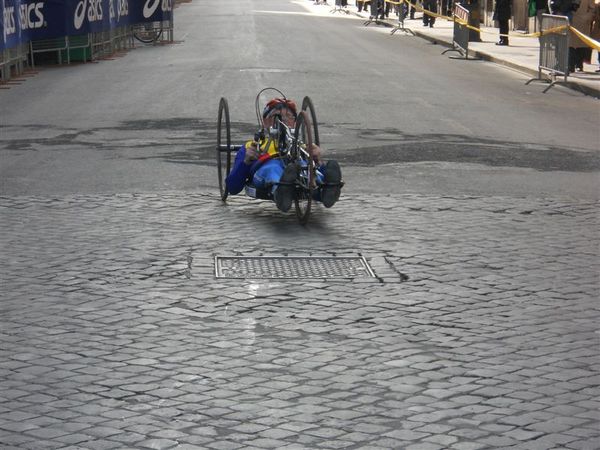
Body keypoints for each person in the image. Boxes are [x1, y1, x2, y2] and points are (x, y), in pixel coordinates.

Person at [225, 98, 343, 213]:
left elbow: (312, 166)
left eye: (289, 116)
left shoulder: (302, 146)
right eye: (276, 117)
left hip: (296, 166)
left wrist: (318, 161)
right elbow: (232, 188)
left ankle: (328, 189)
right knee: (272, 168)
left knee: (307, 167)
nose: (283, 121)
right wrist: (246, 161)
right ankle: (280, 192)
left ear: (295, 123)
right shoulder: (252, 146)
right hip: (266, 168)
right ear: (265, 121)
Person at [568, 0, 595, 71]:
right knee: (570, 44)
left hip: (583, 23)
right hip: (571, 20)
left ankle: (579, 64)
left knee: (581, 44)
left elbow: (593, 8)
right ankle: (571, 65)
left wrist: (587, 17)